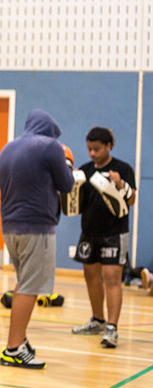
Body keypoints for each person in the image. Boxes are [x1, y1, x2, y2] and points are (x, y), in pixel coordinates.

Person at [0, 109, 74, 368]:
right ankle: (13, 348)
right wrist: (68, 166)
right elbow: (67, 185)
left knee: (23, 284)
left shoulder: (7, 148)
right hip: (37, 228)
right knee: (30, 287)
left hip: (10, 227)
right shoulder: (50, 146)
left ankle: (20, 339)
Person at [69, 127, 136, 348]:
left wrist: (119, 184)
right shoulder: (86, 170)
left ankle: (112, 328)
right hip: (89, 232)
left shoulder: (122, 168)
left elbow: (132, 199)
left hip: (114, 232)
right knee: (91, 277)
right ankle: (97, 320)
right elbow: (76, 204)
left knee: (112, 278)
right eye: (89, 149)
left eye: (97, 149)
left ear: (108, 146)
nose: (92, 154)